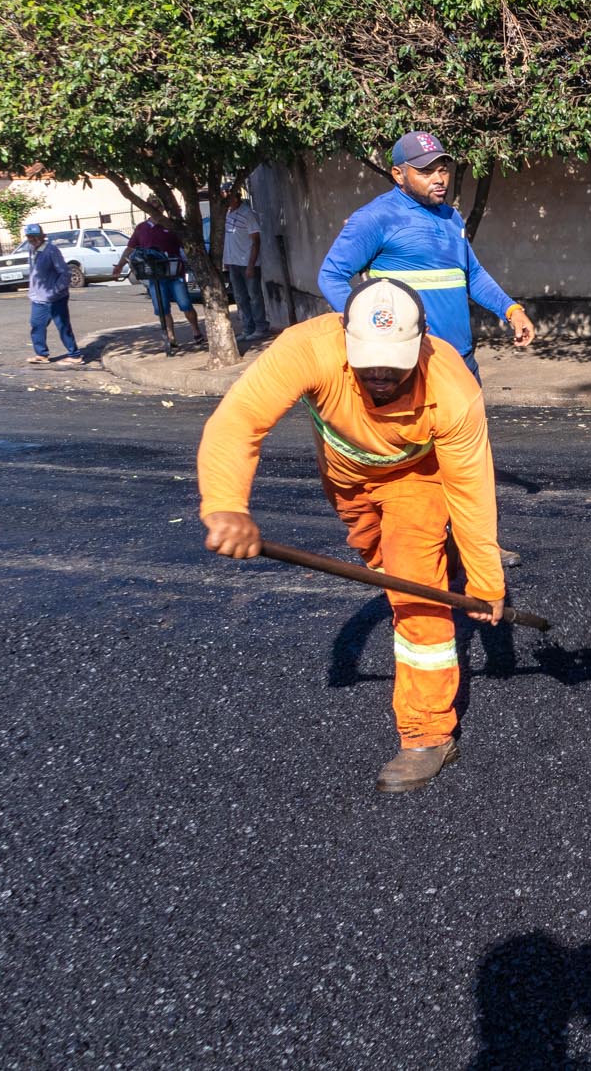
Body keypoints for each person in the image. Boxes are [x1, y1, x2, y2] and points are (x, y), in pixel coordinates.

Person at [198, 278, 504, 794]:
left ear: (422, 341)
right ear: (345, 338)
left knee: (412, 591)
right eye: (369, 363)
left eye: (395, 363)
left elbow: (472, 492)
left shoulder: (452, 387)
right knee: (376, 559)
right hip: (345, 478)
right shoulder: (306, 348)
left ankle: (428, 733)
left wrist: (486, 583)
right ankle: (429, 559)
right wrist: (227, 504)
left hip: (418, 479)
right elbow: (240, 420)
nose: (381, 374)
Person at [318, 131, 535, 380]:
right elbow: (331, 276)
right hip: (409, 362)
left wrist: (512, 311)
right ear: (398, 175)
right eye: (425, 172)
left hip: (461, 359)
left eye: (442, 170)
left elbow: (472, 274)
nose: (439, 179)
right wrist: (369, 326)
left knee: (472, 420)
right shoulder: (375, 218)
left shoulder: (451, 217)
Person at [112, 214, 204, 355]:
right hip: (155, 275)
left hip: (174, 272)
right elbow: (130, 249)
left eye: (158, 206)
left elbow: (185, 246)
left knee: (185, 304)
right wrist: (119, 266)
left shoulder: (170, 225)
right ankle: (171, 338)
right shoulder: (141, 228)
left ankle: (196, 330)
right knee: (162, 308)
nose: (156, 209)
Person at [21, 222, 78, 364]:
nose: (33, 239)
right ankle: (41, 355)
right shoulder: (31, 249)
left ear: (42, 236)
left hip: (55, 298)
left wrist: (55, 292)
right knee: (36, 325)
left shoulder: (51, 250)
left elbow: (65, 273)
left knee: (63, 326)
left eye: (35, 236)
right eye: (29, 237)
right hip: (38, 298)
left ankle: (75, 355)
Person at [222, 179, 269, 341]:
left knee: (254, 296)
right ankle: (248, 328)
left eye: (228, 195)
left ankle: (260, 327)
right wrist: (226, 261)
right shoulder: (227, 214)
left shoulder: (248, 214)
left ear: (236, 196)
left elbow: (256, 241)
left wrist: (251, 265)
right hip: (234, 263)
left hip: (248, 263)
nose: (226, 198)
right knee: (240, 298)